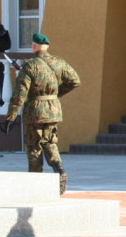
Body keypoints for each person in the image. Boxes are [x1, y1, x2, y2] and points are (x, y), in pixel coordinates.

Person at [5, 33, 80, 194]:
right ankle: (58, 167)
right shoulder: (59, 62)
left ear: (33, 46)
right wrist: (54, 95)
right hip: (53, 110)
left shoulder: (30, 65)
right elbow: (75, 81)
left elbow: (20, 93)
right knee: (49, 141)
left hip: (35, 111)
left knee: (33, 147)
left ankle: (34, 182)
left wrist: (11, 114)